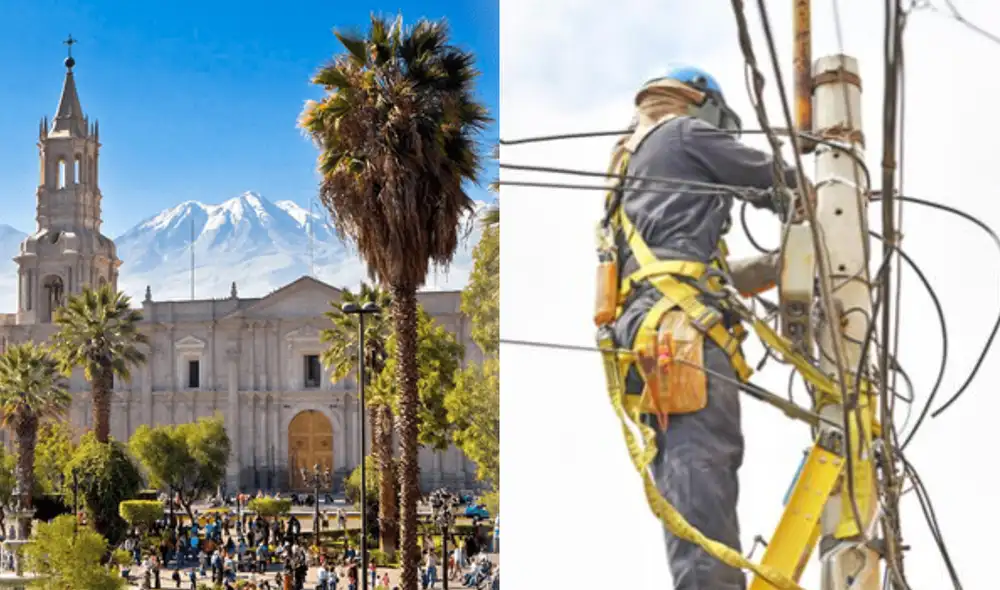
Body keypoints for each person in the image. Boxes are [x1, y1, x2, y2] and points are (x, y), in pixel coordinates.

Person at [602, 66, 803, 590]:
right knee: (702, 472)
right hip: (679, 334)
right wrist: (830, 198)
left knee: (688, 480)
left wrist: (778, 266)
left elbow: (682, 268)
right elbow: (779, 182)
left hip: (656, 329)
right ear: (700, 104)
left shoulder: (628, 168)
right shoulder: (685, 132)